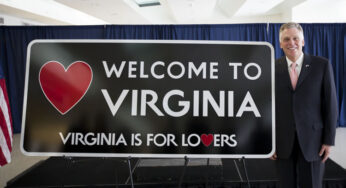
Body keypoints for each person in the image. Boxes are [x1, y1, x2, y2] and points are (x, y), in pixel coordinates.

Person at [270, 22, 338, 188]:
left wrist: (328, 141)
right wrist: (267, 143)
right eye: (286, 39)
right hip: (281, 141)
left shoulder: (321, 65)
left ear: (303, 41)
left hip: (313, 141)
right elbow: (265, 107)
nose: (291, 43)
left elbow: (330, 105)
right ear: (280, 43)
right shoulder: (271, 67)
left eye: (295, 38)